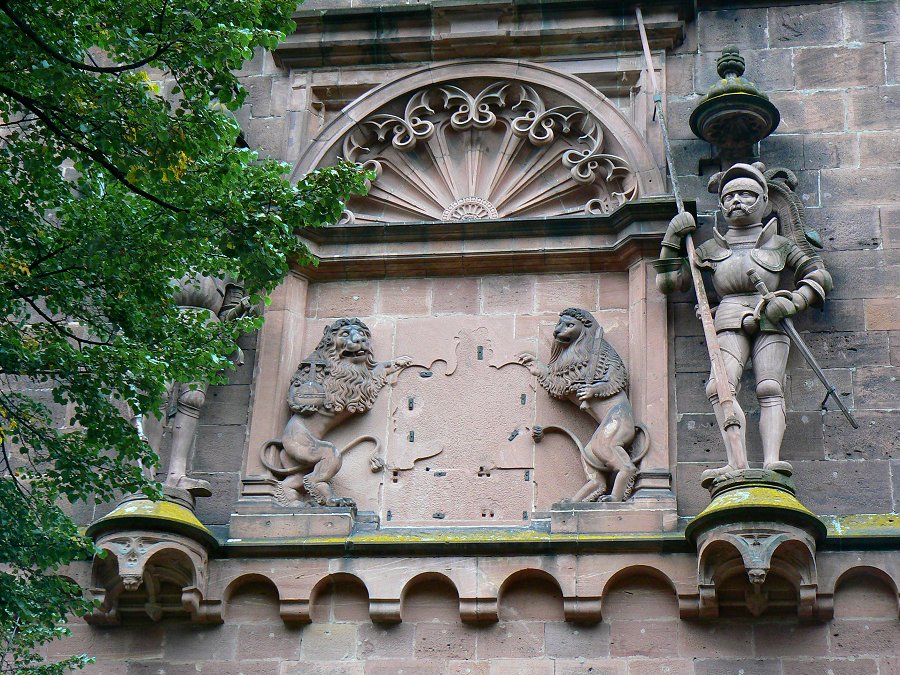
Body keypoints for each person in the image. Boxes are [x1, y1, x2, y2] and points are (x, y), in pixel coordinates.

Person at [654, 163, 831, 483]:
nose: (738, 201)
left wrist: (793, 300)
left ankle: (772, 461)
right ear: (721, 205)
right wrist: (671, 238)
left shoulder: (780, 244)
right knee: (718, 386)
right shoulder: (709, 249)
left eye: (747, 195)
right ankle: (735, 461)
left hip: (772, 316)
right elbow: (668, 282)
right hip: (729, 315)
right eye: (730, 195)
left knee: (769, 387)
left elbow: (818, 276)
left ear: (764, 201)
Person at [163, 274, 253, 496]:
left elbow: (226, 321)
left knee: (192, 398)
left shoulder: (230, 267)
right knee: (156, 394)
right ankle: (143, 476)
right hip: (161, 325)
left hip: (205, 332)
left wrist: (240, 309)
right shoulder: (157, 246)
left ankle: (176, 475)